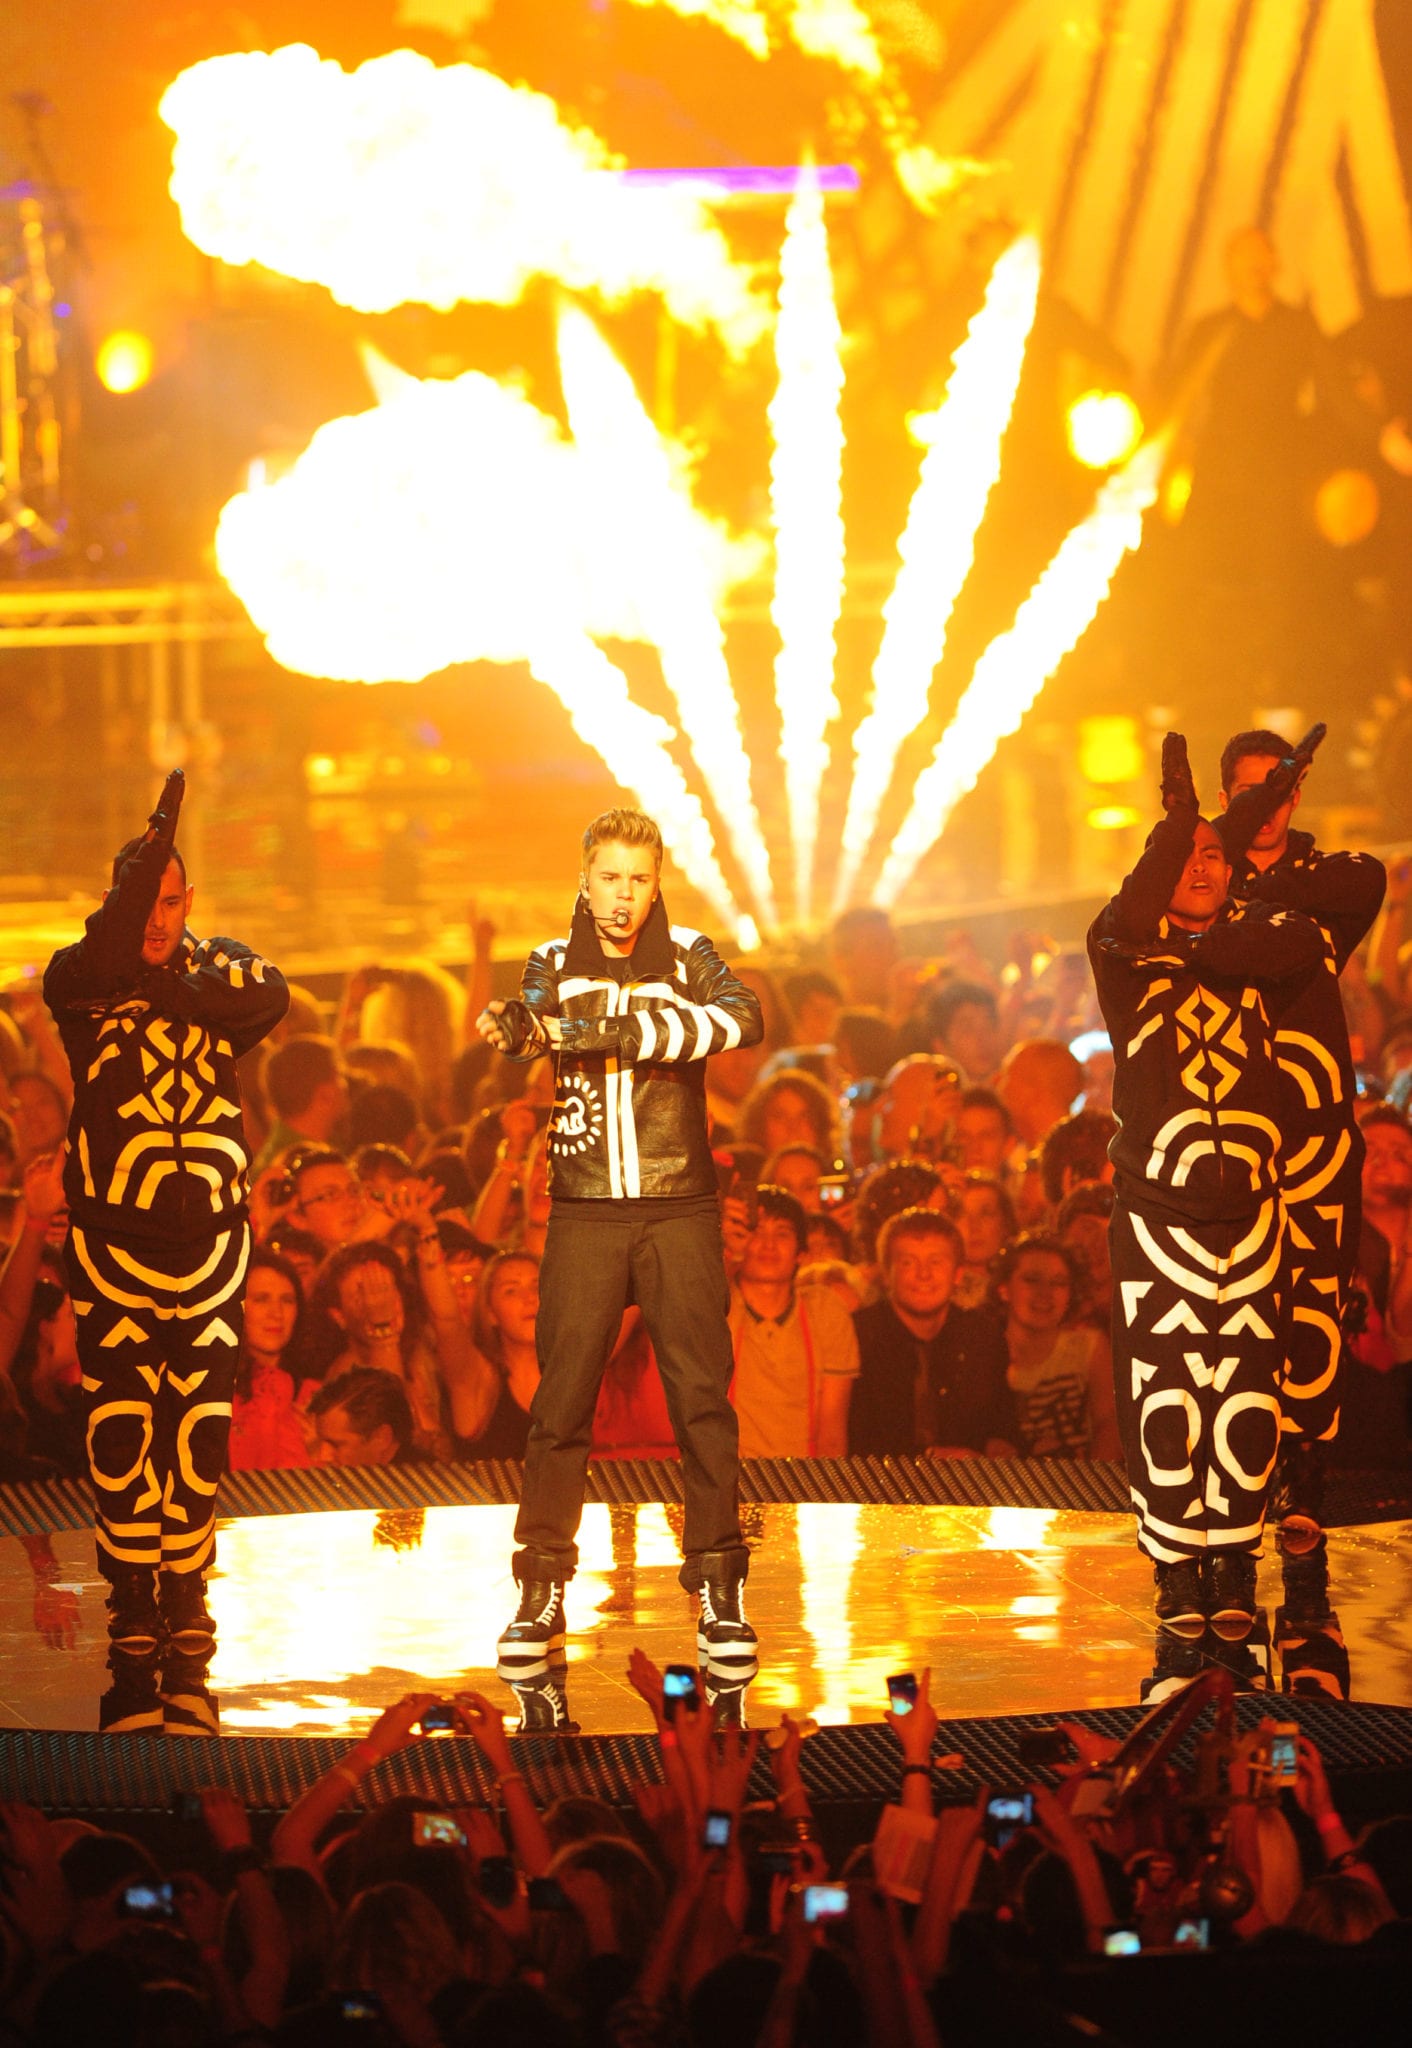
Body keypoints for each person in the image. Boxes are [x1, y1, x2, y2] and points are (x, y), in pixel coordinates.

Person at [477, 807, 763, 1679]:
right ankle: (540, 1586)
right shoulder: (552, 961)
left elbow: (745, 1017)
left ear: (657, 881)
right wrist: (513, 1028)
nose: (623, 896)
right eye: (609, 877)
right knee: (560, 1405)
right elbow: (532, 1023)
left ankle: (719, 1585)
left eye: (639, 879)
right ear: (585, 878)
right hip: (586, 1208)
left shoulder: (690, 955)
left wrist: (633, 1032)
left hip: (680, 1206)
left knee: (702, 1402)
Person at [42, 770, 289, 1657]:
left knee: (200, 1423)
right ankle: (130, 1589)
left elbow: (269, 996)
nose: (157, 919)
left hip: (213, 1244)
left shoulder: (221, 965)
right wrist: (145, 878)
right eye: (143, 900)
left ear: (193, 903)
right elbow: (101, 967)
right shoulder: (78, 974)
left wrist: (172, 992)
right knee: (121, 1422)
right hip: (114, 1242)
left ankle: (186, 1583)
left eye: (172, 901)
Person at [1088, 734, 1326, 1646]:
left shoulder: (1262, 949)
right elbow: (1134, 906)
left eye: (1214, 857)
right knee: (1168, 1392)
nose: (1200, 867)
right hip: (1159, 1220)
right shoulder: (1122, 955)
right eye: (1183, 856)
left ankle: (1234, 1559)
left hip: (1254, 1217)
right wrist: (1183, 826)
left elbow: (1296, 937)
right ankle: (1177, 1568)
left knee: (1248, 1391)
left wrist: (1235, 827)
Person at [1215, 725, 1386, 1637]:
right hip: (1234, 1128)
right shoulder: (1199, 879)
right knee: (1237, 1306)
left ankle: (1306, 1486)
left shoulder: (1329, 876)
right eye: (1249, 791)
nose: (1267, 807)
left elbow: (1367, 883)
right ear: (1226, 796)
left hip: (1318, 1125)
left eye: (1279, 789)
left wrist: (1258, 893)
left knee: (1316, 1297)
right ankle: (1235, 1488)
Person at [851, 1209, 1015, 1457]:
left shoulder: (982, 1336)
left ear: (958, 1274)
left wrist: (1000, 1444)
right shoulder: (857, 1337)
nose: (924, 1274)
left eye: (936, 1262)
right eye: (908, 1262)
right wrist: (928, 1456)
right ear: (886, 1274)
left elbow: (1004, 1421)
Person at [728, 1185, 859, 1457]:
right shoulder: (717, 1306)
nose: (768, 1245)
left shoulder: (824, 1311)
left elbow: (832, 1431)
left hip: (801, 1475)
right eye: (757, 1231)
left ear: (801, 1252)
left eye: (782, 1234)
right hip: (728, 1474)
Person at [988, 1234, 1118, 1459]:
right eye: (1032, 1280)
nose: (1045, 1293)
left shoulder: (1089, 1348)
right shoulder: (981, 1351)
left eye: (1058, 1283)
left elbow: (1110, 1426)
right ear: (1004, 1289)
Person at [228, 1248, 312, 1472]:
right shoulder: (214, 1395)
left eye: (287, 1300)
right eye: (261, 1300)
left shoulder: (315, 1394)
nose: (276, 1313)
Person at [254, 1036, 348, 1171]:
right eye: (340, 1076)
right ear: (325, 1095)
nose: (345, 1086)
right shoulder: (302, 1169)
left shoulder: (271, 1159)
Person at [308, 1367, 415, 1466]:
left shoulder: (417, 1476)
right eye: (320, 1442)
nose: (322, 1457)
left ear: (382, 1438)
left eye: (336, 1445)